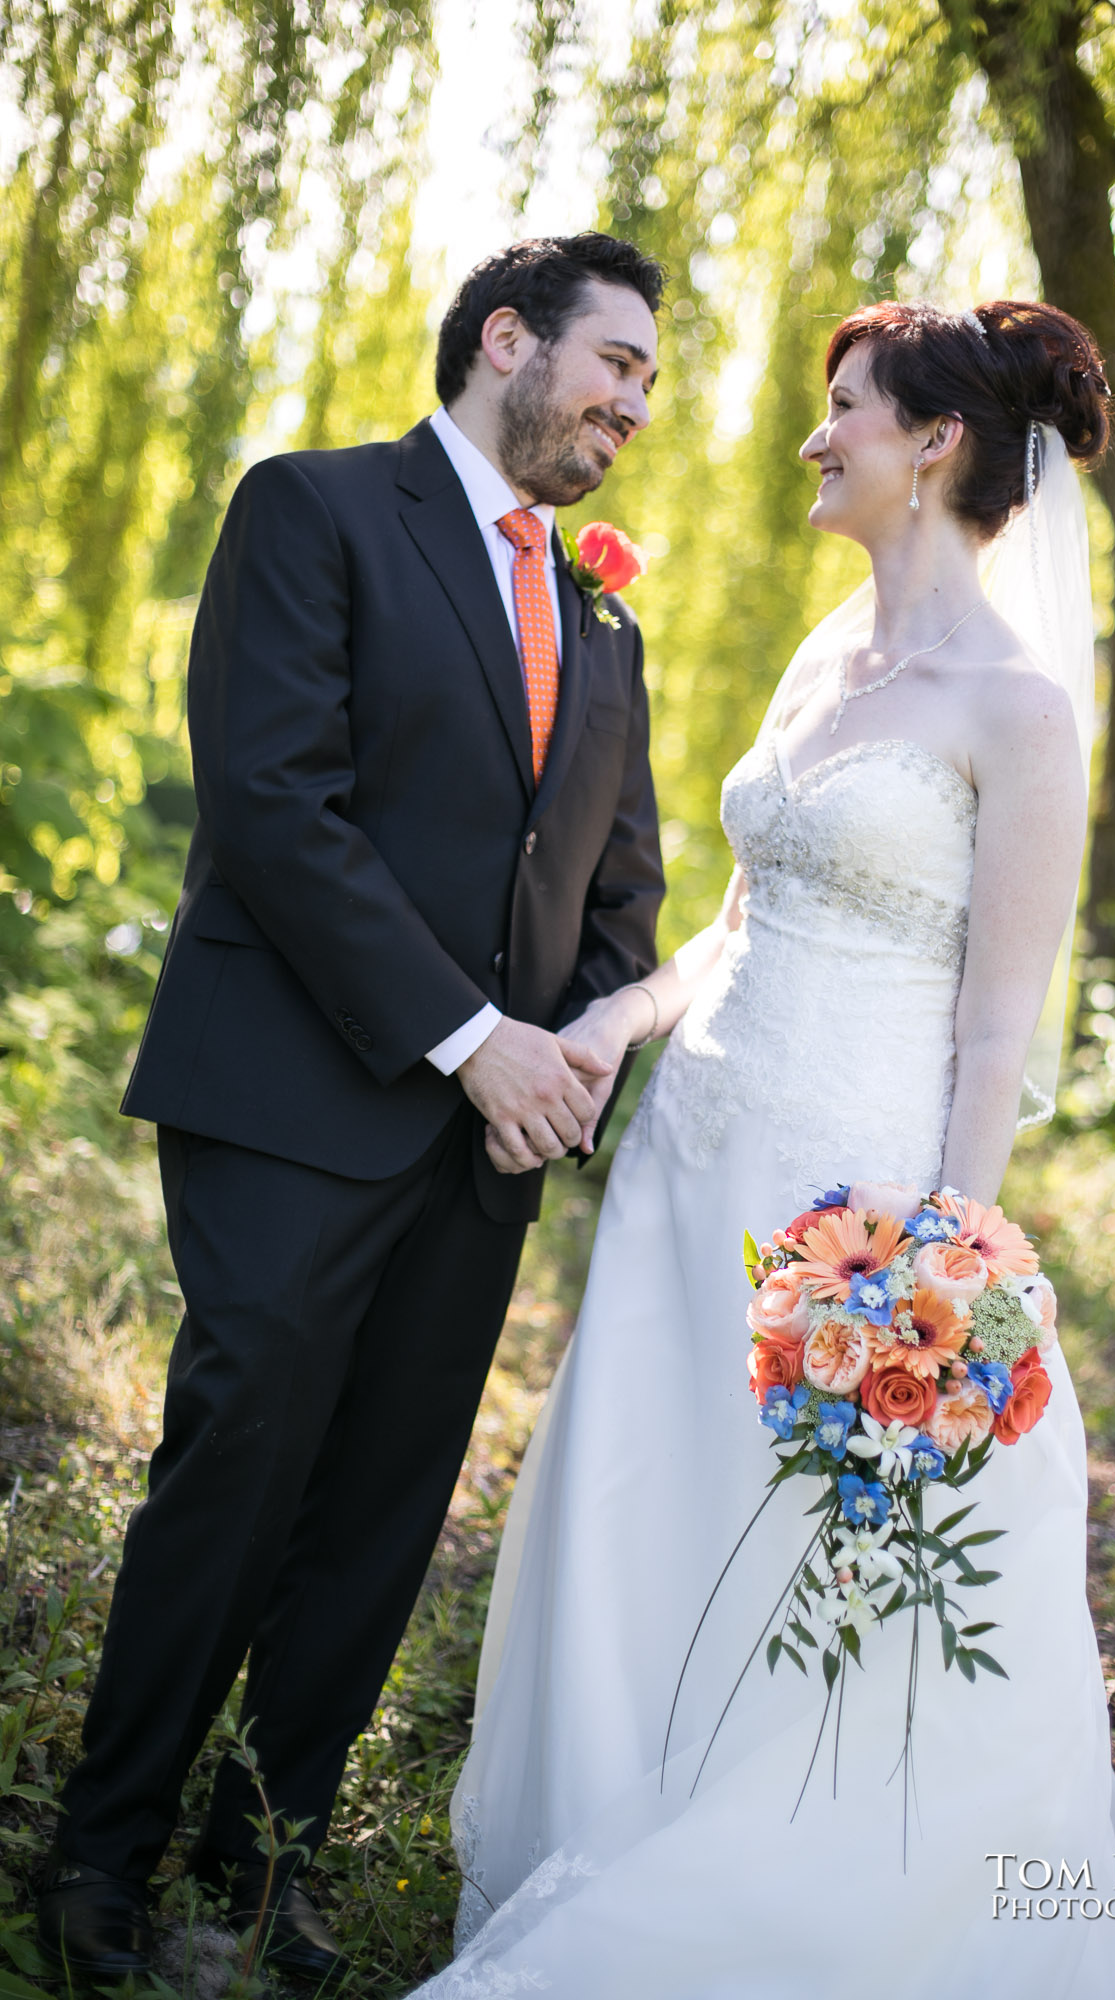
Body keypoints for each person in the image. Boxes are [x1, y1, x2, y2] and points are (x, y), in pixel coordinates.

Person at [424, 301, 1115, 1998]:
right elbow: (733, 930)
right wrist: (605, 1029)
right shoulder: (824, 655)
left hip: (855, 1206)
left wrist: (945, 1264)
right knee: (648, 1496)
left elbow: (996, 1028)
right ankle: (622, 1806)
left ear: (933, 443)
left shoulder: (1018, 712)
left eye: (844, 410)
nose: (815, 439)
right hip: (692, 1166)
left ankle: (773, 1879)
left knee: (822, 1543)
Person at [37, 232, 667, 1983]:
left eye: (647, 386)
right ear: (506, 340)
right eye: (614, 364)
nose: (633, 407)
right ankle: (101, 1857)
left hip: (486, 1151)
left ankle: (260, 1871)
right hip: (294, 1095)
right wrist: (472, 1037)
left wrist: (568, 1065)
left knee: (386, 1507)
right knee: (239, 1461)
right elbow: (273, 801)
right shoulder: (311, 510)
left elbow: (616, 887)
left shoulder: (605, 618)